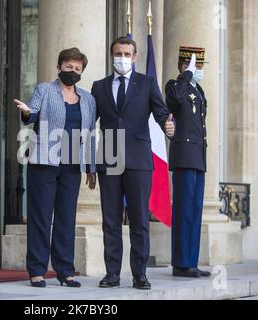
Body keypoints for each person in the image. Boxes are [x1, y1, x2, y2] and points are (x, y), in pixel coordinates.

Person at [91, 36, 175, 290]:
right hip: (109, 160)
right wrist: (89, 164)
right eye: (118, 53)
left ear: (135, 57)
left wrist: (169, 125)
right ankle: (112, 274)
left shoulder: (147, 84)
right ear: (111, 55)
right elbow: (88, 125)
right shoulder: (99, 86)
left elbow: (161, 113)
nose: (122, 58)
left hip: (139, 160)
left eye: (127, 54)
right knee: (111, 220)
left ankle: (139, 274)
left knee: (139, 220)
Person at [14, 47, 97, 288]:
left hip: (72, 163)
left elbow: (90, 133)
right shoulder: (44, 89)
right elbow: (33, 112)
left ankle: (65, 271)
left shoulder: (88, 99)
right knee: (40, 216)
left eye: (77, 68)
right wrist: (28, 114)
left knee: (66, 218)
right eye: (69, 67)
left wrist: (91, 166)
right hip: (44, 160)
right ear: (59, 67)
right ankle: (37, 270)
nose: (73, 71)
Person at [165, 47, 211, 278]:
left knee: (195, 210)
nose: (200, 70)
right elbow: (174, 100)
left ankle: (190, 261)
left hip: (198, 157)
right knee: (184, 210)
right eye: (197, 65)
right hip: (184, 156)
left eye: (200, 66)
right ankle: (181, 263)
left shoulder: (199, 89)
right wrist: (186, 75)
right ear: (185, 66)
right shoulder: (175, 85)